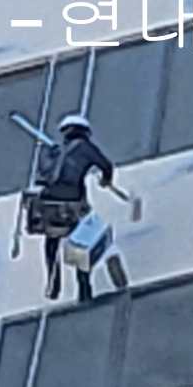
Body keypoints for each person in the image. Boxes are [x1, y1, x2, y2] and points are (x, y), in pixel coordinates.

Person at [38, 113, 114, 303]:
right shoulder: (86, 147)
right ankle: (84, 287)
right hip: (73, 202)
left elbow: (43, 173)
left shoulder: (56, 151)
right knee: (82, 242)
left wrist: (50, 155)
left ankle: (53, 284)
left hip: (50, 202)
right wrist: (106, 180)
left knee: (52, 243)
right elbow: (106, 165)